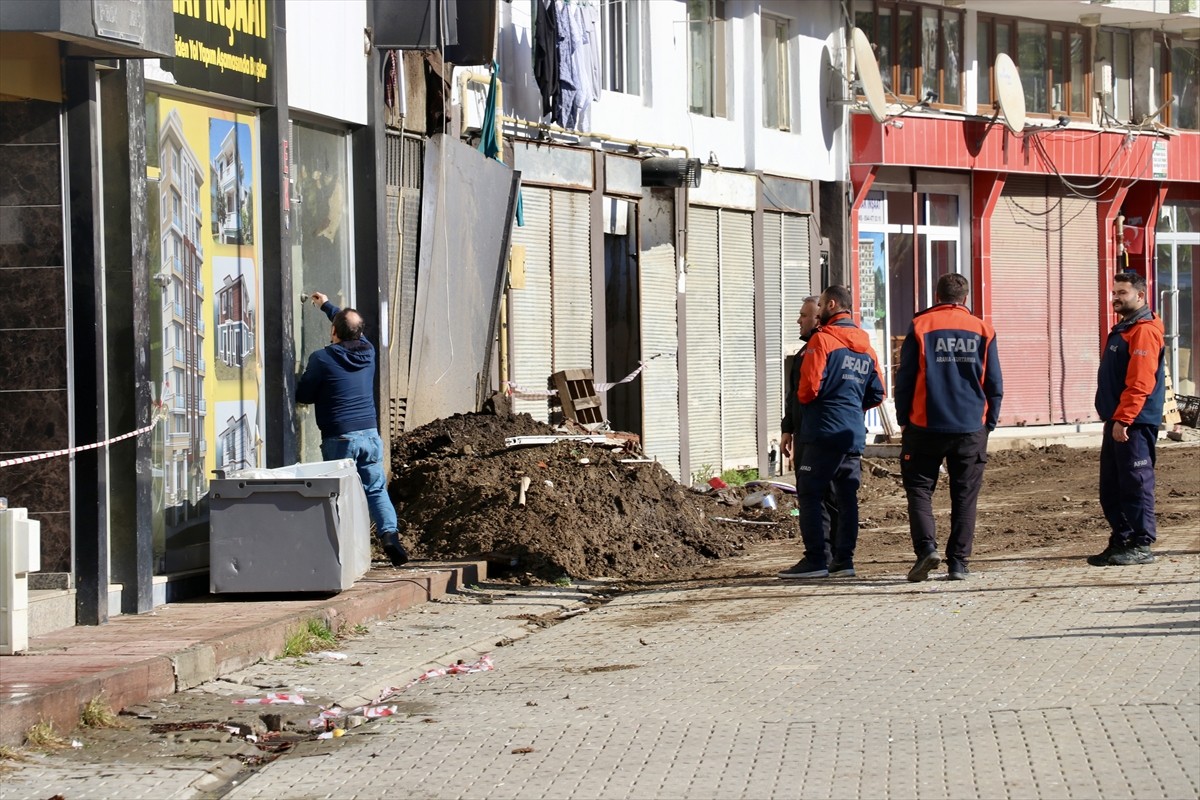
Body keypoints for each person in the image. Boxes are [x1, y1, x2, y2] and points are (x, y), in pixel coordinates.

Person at [894, 274, 1003, 582]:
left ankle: (926, 550)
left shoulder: (920, 326)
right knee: (965, 495)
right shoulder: (983, 329)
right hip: (970, 427)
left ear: (937, 295)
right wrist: (989, 423)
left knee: (919, 489)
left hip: (924, 424)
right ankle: (958, 562)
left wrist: (903, 420)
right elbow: (994, 383)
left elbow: (905, 379)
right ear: (965, 298)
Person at [778, 286, 885, 579]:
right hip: (852, 433)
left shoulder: (822, 340)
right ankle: (844, 561)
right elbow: (877, 392)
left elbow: (807, 390)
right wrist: (850, 405)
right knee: (846, 497)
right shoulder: (866, 347)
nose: (803, 319)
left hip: (822, 431)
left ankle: (816, 560)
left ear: (831, 305)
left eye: (819, 307)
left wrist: (824, 406)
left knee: (810, 493)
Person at [297, 292, 409, 567]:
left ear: (333, 332)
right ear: (359, 333)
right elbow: (350, 326)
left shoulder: (321, 358)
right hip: (369, 435)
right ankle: (390, 536)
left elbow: (304, 395)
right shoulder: (368, 351)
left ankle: (342, 552)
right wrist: (327, 306)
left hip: (340, 437)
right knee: (376, 489)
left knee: (339, 494)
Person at [1088, 271, 1166, 567]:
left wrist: (1125, 419)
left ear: (1140, 295)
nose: (1115, 298)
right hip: (1118, 420)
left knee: (1136, 483)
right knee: (1111, 487)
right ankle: (1122, 539)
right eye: (1114, 293)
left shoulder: (1143, 331)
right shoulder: (1125, 328)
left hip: (1133, 422)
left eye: (1122, 292)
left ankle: (1141, 544)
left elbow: (1140, 382)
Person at [779, 296, 839, 568]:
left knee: (818, 495)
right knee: (825, 494)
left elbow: (808, 393)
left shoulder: (821, 349)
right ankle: (834, 557)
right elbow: (793, 396)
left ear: (818, 318)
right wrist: (787, 429)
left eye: (804, 315)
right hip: (808, 432)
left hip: (817, 434)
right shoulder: (805, 352)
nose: (798, 320)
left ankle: (822, 557)